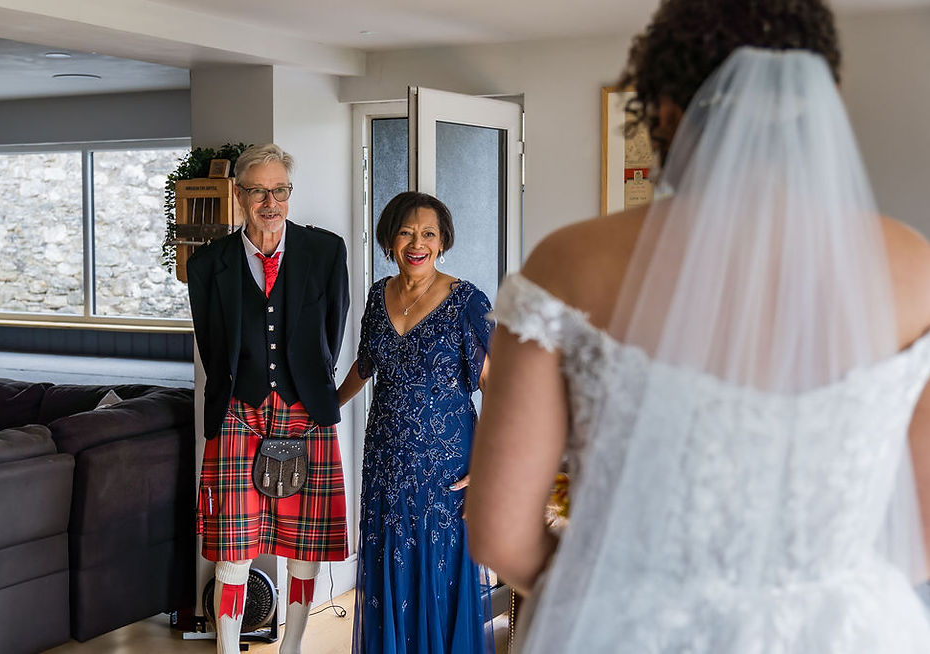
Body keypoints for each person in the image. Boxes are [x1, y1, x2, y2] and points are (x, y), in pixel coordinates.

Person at [466, 1, 930, 653]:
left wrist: (613, 598)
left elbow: (499, 533)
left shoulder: (569, 263)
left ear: (665, 112)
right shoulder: (914, 267)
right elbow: (920, 535)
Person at [186, 143, 350, 654]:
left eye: (280, 190)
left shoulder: (325, 252)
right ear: (239, 195)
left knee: (305, 546)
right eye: (258, 191)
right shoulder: (208, 263)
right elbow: (212, 345)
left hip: (306, 410)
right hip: (239, 412)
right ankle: (227, 650)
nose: (270, 202)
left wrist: (306, 382)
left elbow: (333, 330)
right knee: (233, 550)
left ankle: (292, 647)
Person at [337, 191, 494, 654]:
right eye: (406, 233)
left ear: (443, 241)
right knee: (389, 569)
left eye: (428, 233)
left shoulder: (467, 301)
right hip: (385, 464)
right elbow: (365, 366)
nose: (417, 243)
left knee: (439, 575)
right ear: (390, 240)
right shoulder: (377, 295)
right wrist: (325, 407)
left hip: (445, 469)